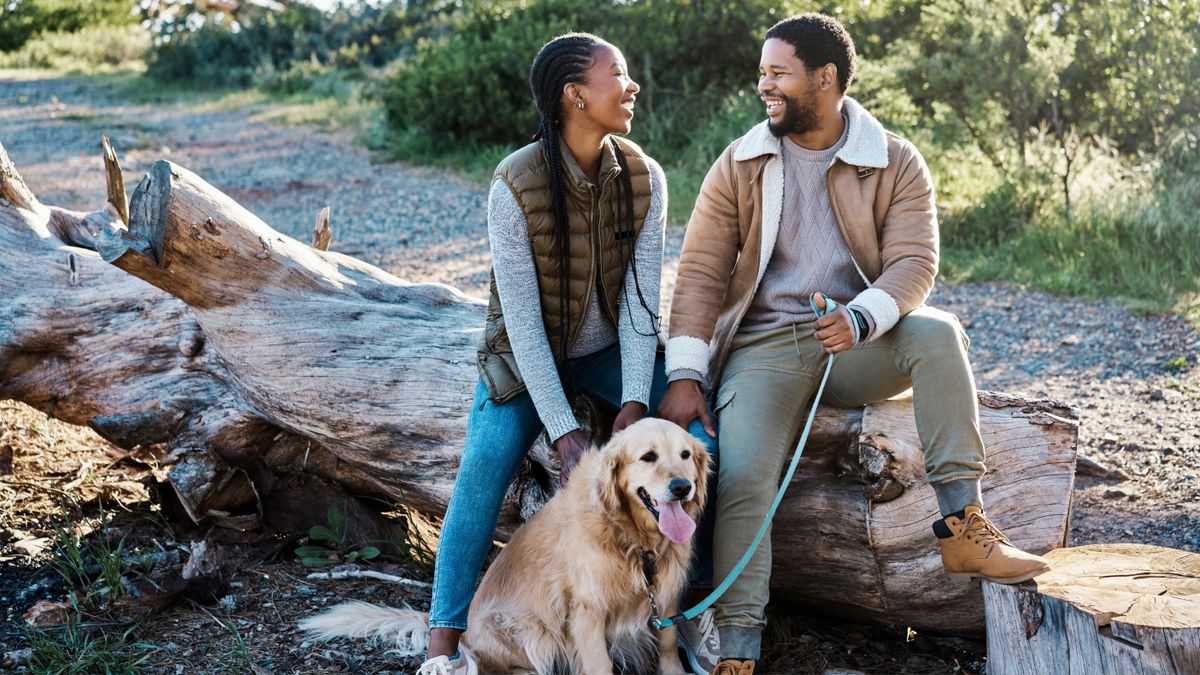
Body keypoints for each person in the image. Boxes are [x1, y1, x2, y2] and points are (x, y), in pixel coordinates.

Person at [657, 14, 1051, 674]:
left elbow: (915, 262)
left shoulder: (895, 160)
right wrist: (686, 373)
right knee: (747, 479)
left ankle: (964, 528)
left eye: (777, 73)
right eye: (761, 73)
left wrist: (864, 317)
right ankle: (740, 652)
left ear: (826, 78)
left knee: (939, 333)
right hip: (762, 349)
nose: (764, 85)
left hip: (855, 340)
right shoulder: (742, 161)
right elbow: (699, 272)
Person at [420, 32, 718, 675]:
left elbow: (642, 307)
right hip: (524, 358)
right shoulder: (514, 183)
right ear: (575, 95)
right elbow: (524, 326)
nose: (631, 86)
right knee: (486, 464)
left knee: (700, 445)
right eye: (619, 74)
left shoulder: (643, 176)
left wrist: (636, 403)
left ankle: (686, 617)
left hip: (611, 350)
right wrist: (563, 432)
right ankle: (443, 645)